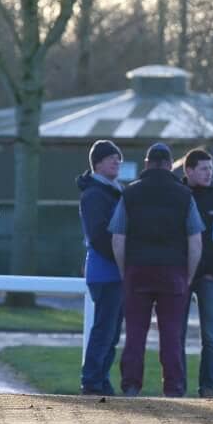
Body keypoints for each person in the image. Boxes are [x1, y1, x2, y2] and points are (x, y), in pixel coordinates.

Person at [110, 143, 204, 397]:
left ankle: (131, 385)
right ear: (170, 163)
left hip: (137, 270)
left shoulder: (130, 194)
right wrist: (189, 275)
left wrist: (124, 271)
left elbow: (118, 238)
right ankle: (173, 387)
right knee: (172, 334)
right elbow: (195, 241)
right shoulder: (184, 195)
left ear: (147, 162)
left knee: (135, 333)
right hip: (173, 272)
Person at [180, 148, 213, 398]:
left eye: (210, 169)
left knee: (210, 337)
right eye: (203, 168)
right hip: (180, 277)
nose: (208, 173)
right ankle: (175, 385)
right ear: (188, 170)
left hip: (209, 279)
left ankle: (208, 387)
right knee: (176, 334)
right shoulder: (178, 196)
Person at [77, 140, 124, 395]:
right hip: (105, 271)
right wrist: (122, 259)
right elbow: (98, 235)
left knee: (112, 330)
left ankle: (101, 378)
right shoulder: (95, 195)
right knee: (105, 329)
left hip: (114, 272)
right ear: (97, 163)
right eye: (111, 158)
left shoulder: (114, 191)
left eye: (118, 158)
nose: (117, 162)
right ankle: (92, 379)